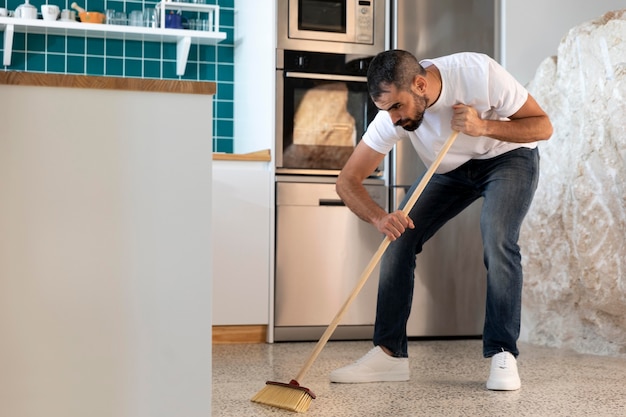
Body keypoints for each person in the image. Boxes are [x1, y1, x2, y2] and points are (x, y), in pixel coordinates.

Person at [331, 50, 553, 391]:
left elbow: (542, 126)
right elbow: (348, 180)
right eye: (385, 110)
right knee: (398, 236)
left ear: (420, 84)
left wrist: (483, 127)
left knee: (497, 238)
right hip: (449, 169)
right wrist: (379, 218)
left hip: (507, 159)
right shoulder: (393, 116)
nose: (392, 119)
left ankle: (503, 352)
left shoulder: (478, 72)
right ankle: (389, 355)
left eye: (396, 108)